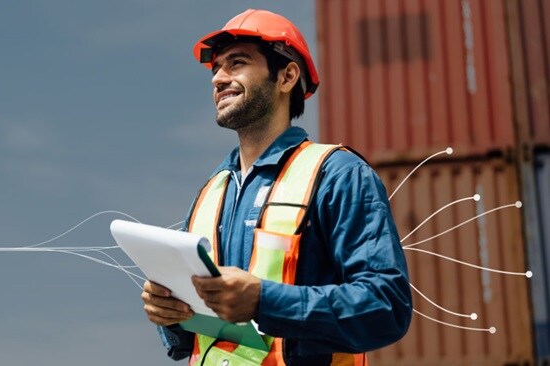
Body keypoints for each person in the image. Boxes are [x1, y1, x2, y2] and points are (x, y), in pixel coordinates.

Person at [141, 9, 412, 366]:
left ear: (286, 76)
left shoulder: (337, 174)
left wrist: (264, 301)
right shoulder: (210, 194)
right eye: (216, 68)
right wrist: (171, 314)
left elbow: (386, 308)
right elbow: (199, 338)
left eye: (237, 63)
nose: (218, 78)